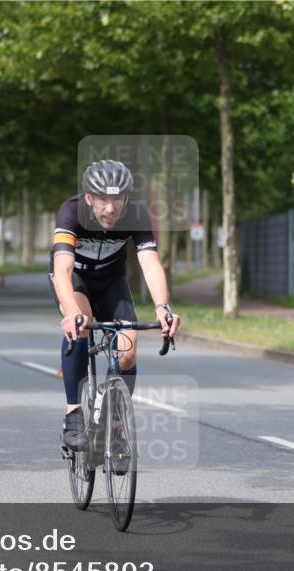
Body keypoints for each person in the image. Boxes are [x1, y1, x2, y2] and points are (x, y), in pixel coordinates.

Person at [49, 159, 181, 450]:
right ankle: (73, 413)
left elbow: (151, 265)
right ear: (89, 198)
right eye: (102, 200)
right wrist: (70, 312)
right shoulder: (71, 212)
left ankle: (116, 425)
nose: (110, 208)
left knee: (128, 350)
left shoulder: (136, 214)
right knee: (81, 322)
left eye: (117, 199)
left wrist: (162, 308)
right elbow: (62, 270)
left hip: (111, 280)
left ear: (126, 198)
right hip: (76, 278)